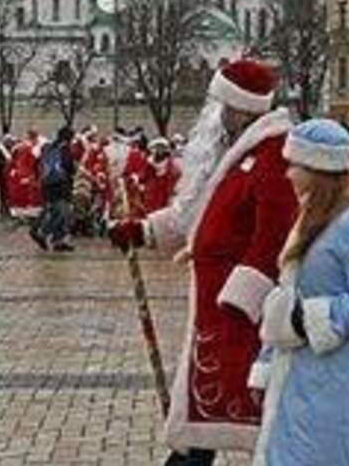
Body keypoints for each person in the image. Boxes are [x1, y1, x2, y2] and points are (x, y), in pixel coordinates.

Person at [109, 59, 298, 466]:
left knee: (234, 400)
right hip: (215, 303)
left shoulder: (271, 156)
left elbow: (274, 235)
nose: (216, 115)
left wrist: (244, 296)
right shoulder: (234, 153)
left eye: (222, 106)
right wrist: (142, 230)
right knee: (209, 397)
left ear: (241, 108)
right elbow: (193, 212)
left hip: (239, 308)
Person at [250, 118, 349, 466]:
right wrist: (266, 364)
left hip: (339, 375)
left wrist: (307, 320)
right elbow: (289, 292)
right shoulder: (309, 218)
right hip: (298, 371)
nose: (288, 174)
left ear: (319, 171)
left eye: (295, 166)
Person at [32, 126, 78, 252]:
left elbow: (37, 164)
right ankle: (43, 233)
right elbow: (69, 167)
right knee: (63, 212)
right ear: (69, 138)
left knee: (53, 210)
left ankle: (59, 241)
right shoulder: (65, 149)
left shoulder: (48, 147)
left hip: (47, 184)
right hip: (61, 185)